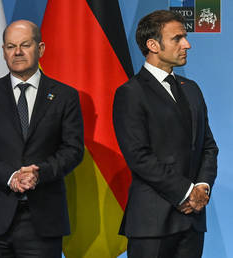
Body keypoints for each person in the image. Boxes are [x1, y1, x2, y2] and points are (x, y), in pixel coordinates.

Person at [0, 20, 84, 257]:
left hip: (43, 216)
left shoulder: (64, 96)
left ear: (40, 49)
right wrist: (10, 176)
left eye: (24, 45)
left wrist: (40, 172)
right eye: (10, 46)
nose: (17, 52)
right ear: (3, 52)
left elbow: (72, 149)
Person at [113, 10, 218, 258]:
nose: (187, 45)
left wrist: (201, 188)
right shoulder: (130, 93)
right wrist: (185, 192)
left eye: (185, 37)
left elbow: (208, 147)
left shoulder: (191, 89)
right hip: (152, 222)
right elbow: (139, 156)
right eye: (178, 38)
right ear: (153, 45)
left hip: (192, 221)